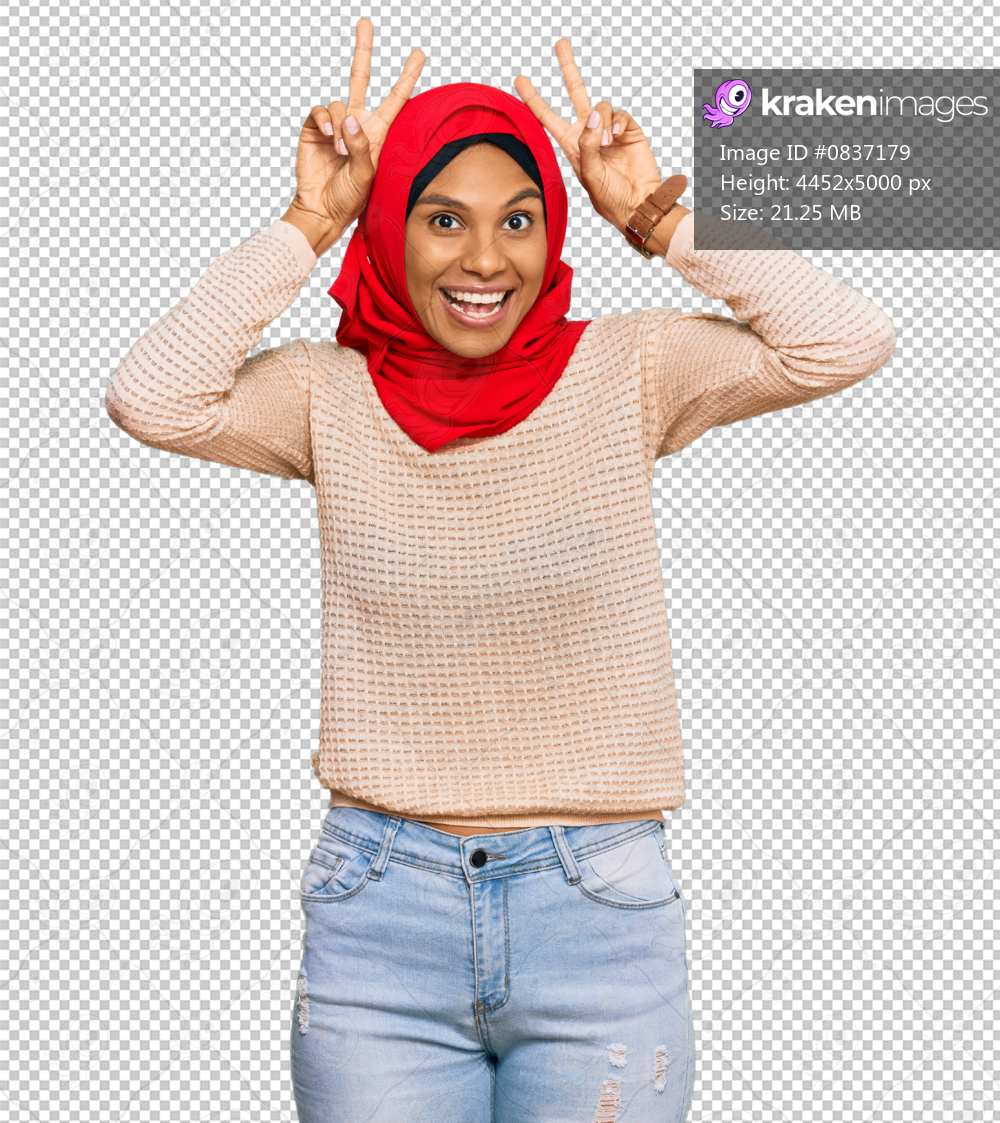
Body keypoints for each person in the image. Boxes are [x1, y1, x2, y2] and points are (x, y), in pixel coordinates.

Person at [104, 18, 897, 1123]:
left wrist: (656, 213)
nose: (486, 260)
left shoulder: (632, 369)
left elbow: (843, 340)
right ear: (390, 228)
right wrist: (308, 222)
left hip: (598, 913)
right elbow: (152, 397)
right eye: (443, 220)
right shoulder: (325, 394)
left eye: (518, 221)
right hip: (378, 916)